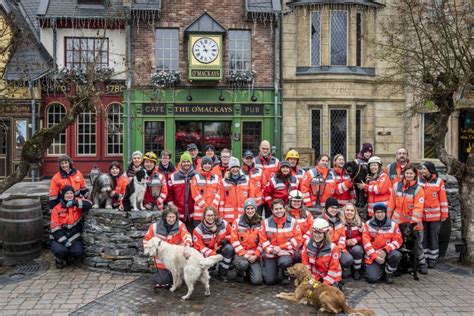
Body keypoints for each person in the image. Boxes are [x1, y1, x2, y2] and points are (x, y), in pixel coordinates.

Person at [387, 163, 427, 274]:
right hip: (397, 223)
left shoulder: (418, 189)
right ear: (404, 174)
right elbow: (391, 204)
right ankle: (399, 265)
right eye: (407, 173)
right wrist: (388, 219)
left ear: (415, 175)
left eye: (411, 173)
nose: (409, 175)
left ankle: (422, 263)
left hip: (413, 225)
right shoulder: (396, 186)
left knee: (417, 245)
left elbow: (418, 208)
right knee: (397, 243)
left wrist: (412, 224)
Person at [143, 206, 192, 290]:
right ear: (164, 217)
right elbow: (146, 241)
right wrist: (152, 252)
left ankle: (179, 276)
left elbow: (187, 236)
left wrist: (187, 247)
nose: (171, 219)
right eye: (169, 217)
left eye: (173, 217)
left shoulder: (180, 225)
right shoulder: (154, 227)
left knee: (182, 277)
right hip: (161, 261)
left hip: (177, 260)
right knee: (163, 281)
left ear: (176, 217)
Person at [259, 199, 302, 285]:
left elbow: (297, 239)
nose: (279, 211)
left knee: (284, 262)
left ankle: (285, 272)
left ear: (284, 209)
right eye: (276, 209)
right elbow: (263, 240)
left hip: (285, 253)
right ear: (272, 210)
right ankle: (267, 266)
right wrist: (273, 250)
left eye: (280, 208)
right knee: (269, 281)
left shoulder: (293, 222)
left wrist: (281, 247)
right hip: (271, 254)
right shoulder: (266, 222)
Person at [50, 185, 92, 269]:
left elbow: (89, 204)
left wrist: (75, 203)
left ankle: (70, 257)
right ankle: (59, 258)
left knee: (77, 252)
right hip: (59, 237)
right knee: (60, 251)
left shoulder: (77, 203)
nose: (69, 195)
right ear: (63, 195)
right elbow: (55, 227)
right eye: (67, 193)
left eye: (71, 193)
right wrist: (64, 241)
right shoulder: (56, 209)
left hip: (74, 236)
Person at [362, 203, 403, 284]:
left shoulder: (393, 225)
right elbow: (366, 243)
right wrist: (375, 256)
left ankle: (388, 273)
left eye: (382, 212)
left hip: (387, 253)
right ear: (374, 213)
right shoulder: (368, 224)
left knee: (396, 255)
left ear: (385, 212)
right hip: (373, 255)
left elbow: (398, 241)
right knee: (372, 279)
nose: (380, 214)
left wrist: (385, 250)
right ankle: (380, 269)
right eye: (377, 212)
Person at [418, 161, 449, 268]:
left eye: (424, 169)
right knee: (423, 238)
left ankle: (433, 259)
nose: (422, 171)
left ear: (430, 170)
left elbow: (443, 199)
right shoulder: (418, 180)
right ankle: (424, 258)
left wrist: (444, 214)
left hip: (435, 216)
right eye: (421, 169)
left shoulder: (439, 182)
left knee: (433, 237)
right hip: (421, 216)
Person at [193, 206, 234, 282]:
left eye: (212, 215)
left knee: (229, 248)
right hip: (208, 253)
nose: (210, 217)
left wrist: (225, 240)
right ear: (204, 216)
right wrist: (213, 254)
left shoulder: (224, 224)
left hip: (221, 248)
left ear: (215, 215)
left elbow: (233, 235)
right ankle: (210, 268)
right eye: (208, 215)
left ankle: (223, 274)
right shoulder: (198, 230)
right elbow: (199, 247)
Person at [230, 198, 263, 285]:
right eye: (247, 208)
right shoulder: (237, 222)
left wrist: (256, 255)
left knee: (257, 281)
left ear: (255, 209)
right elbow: (234, 240)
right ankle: (239, 273)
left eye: (252, 208)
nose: (250, 211)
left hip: (254, 255)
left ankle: (249, 271)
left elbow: (262, 241)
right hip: (241, 254)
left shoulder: (261, 222)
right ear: (244, 210)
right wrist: (244, 254)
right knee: (243, 264)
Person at [301, 218, 342, 287]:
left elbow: (333, 269)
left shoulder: (333, 248)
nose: (317, 235)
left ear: (325, 234)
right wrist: (310, 281)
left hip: (331, 277)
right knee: (310, 293)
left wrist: (324, 285)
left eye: (320, 233)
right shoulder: (307, 244)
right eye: (315, 232)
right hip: (315, 276)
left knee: (325, 295)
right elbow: (305, 265)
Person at [321, 197, 352, 278]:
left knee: (348, 259)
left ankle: (339, 271)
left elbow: (342, 236)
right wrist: (332, 249)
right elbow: (318, 239)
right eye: (332, 208)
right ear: (327, 208)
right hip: (325, 249)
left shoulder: (340, 220)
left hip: (338, 248)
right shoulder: (320, 221)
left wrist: (340, 247)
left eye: (336, 208)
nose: (334, 210)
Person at [167, 152, 196, 232]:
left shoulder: (196, 176)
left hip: (193, 213)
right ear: (181, 163)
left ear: (191, 162)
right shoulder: (173, 176)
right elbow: (169, 193)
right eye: (184, 161)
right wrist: (171, 205)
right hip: (179, 213)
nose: (186, 163)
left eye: (188, 161)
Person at [190, 156, 221, 227]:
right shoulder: (196, 178)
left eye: (209, 164)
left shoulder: (216, 178)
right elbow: (195, 194)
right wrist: (205, 207)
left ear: (212, 165)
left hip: (213, 214)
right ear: (202, 165)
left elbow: (219, 193)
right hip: (199, 214)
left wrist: (213, 206)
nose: (207, 165)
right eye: (205, 164)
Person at [219, 158, 251, 224]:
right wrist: (221, 216)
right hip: (228, 218)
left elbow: (250, 198)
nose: (235, 169)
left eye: (237, 167)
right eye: (233, 167)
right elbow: (221, 201)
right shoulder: (223, 182)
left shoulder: (247, 180)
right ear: (229, 168)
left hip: (243, 217)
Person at [342, 203, 364, 280]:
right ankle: (346, 268)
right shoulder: (339, 223)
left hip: (355, 248)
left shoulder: (360, 224)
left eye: (352, 210)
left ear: (355, 212)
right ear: (344, 211)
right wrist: (345, 242)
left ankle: (356, 270)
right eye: (347, 210)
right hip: (344, 248)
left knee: (357, 250)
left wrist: (356, 240)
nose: (349, 212)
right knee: (345, 275)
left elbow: (364, 237)